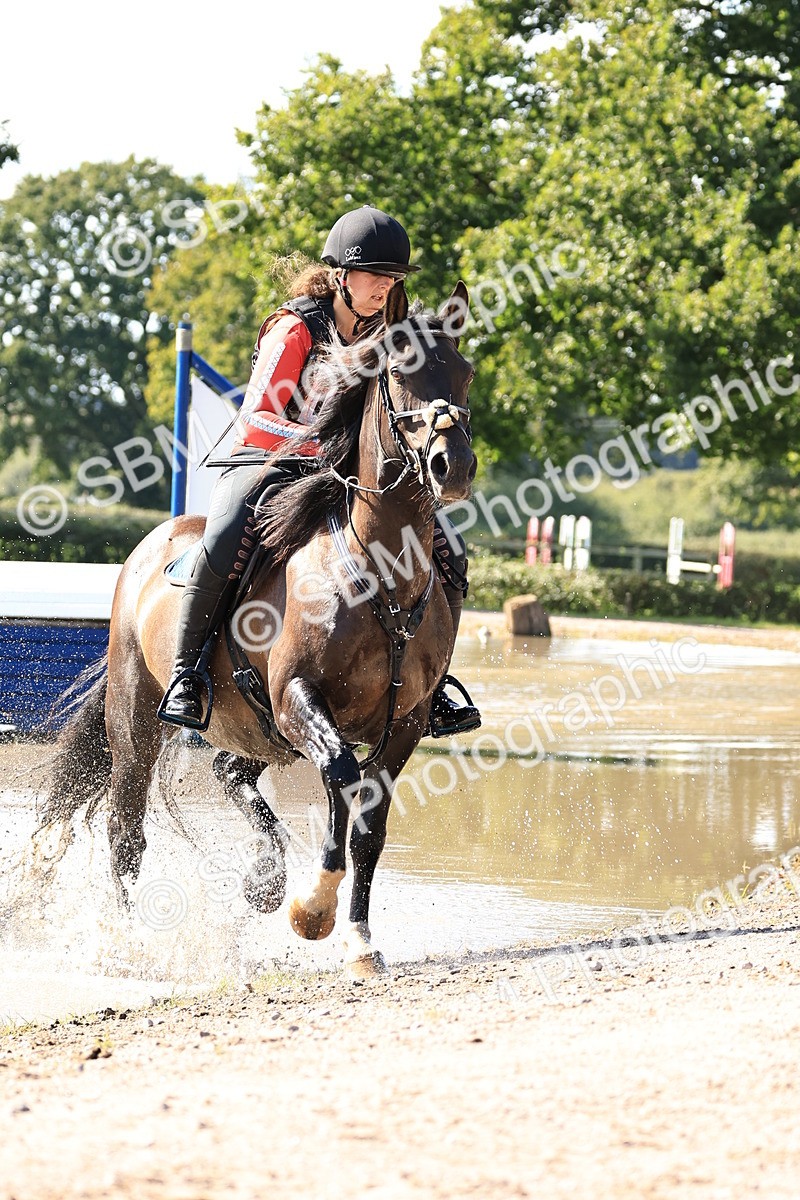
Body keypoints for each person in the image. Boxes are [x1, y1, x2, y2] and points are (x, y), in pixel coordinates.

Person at [158, 205, 481, 739]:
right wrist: (319, 446)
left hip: (345, 477)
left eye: (394, 278)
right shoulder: (295, 328)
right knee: (222, 538)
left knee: (449, 549)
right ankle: (185, 676)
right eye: (377, 275)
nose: (387, 287)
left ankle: (434, 684)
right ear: (342, 276)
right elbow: (258, 417)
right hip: (268, 463)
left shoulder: (388, 334)